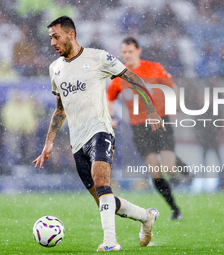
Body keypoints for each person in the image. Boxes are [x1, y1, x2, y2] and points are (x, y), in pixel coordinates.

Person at [33, 16, 164, 251]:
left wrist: (151, 110)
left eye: (56, 36)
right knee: (106, 201)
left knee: (103, 182)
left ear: (70, 34)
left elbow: (134, 79)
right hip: (77, 142)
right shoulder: (55, 69)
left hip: (100, 131)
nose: (52, 42)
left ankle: (110, 242)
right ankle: (146, 217)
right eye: (50, 38)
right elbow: (60, 109)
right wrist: (49, 142)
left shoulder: (98, 57)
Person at [107, 37, 188, 220]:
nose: (126, 55)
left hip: (160, 121)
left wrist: (173, 108)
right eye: (124, 52)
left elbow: (172, 87)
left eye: (130, 51)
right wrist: (110, 117)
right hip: (138, 129)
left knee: (168, 166)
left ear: (138, 51)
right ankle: (175, 209)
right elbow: (109, 98)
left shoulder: (154, 68)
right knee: (155, 170)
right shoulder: (120, 76)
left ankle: (184, 171)